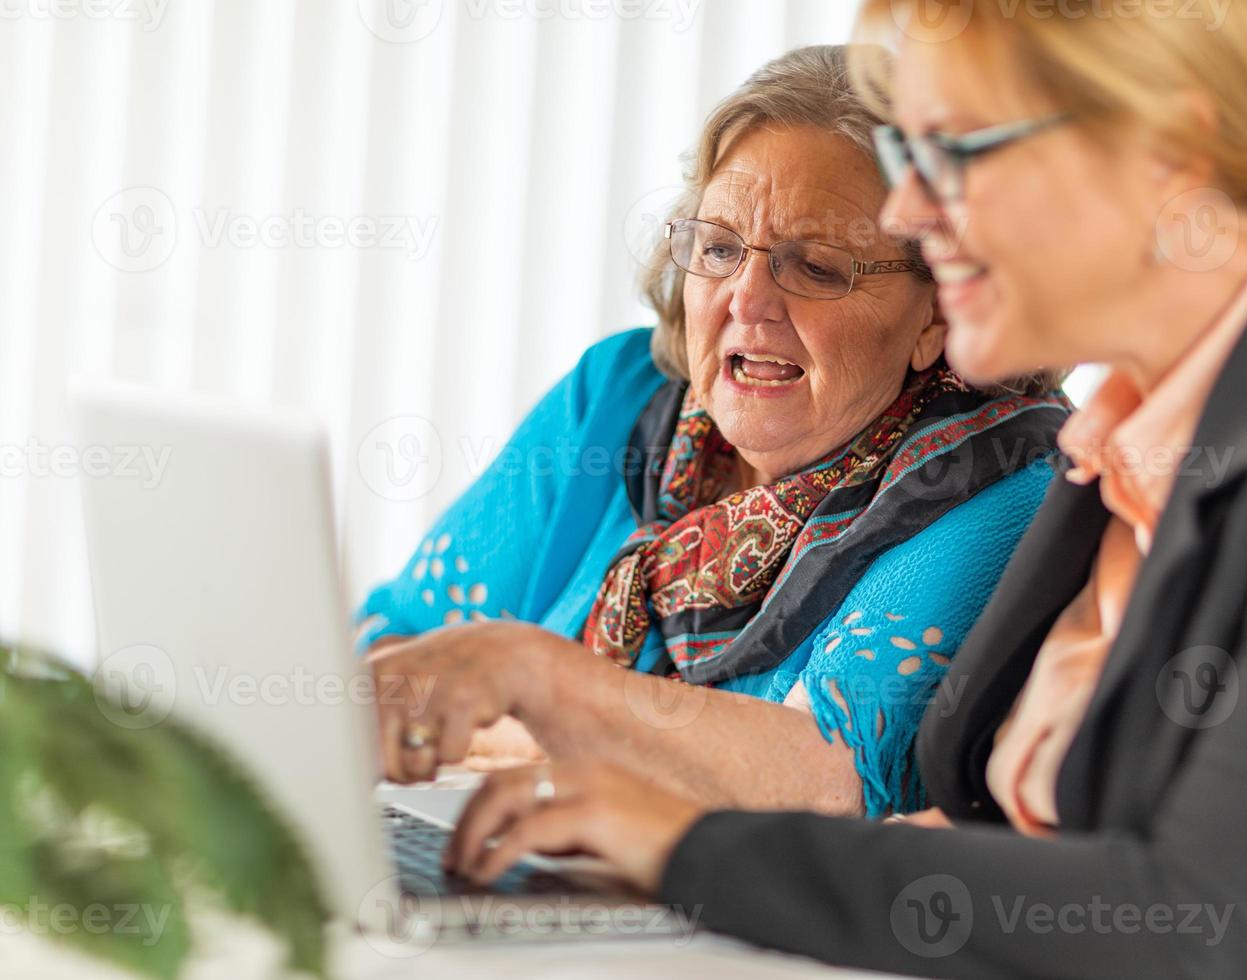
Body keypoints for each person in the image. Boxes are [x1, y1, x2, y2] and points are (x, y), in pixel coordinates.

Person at [441, 3, 1247, 977]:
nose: (905, 211)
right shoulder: (1127, 439)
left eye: (955, 152)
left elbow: (1226, 924)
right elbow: (1005, 845)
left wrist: (689, 848)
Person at [363, 44, 1069, 819]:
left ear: (938, 309)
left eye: (815, 266)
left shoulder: (1005, 487)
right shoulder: (616, 398)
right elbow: (395, 649)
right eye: (722, 248)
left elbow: (831, 778)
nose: (747, 299)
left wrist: (530, 688)